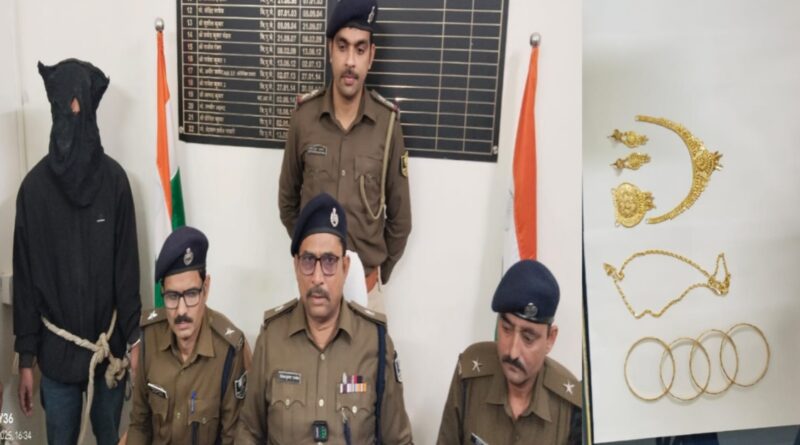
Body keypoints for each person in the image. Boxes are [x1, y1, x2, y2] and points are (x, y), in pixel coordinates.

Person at [13, 59, 141, 445]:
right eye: (64, 109)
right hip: (55, 358)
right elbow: (25, 281)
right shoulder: (33, 192)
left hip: (108, 352)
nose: (72, 118)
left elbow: (127, 272)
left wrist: (135, 340)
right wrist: (25, 357)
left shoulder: (115, 184)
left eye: (79, 108)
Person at [236, 193, 413, 444]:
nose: (318, 277)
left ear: (345, 267)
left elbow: (399, 440)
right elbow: (249, 432)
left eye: (329, 261)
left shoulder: (375, 341)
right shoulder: (272, 338)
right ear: (296, 266)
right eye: (309, 261)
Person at [278, 0, 412, 311]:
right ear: (330, 50)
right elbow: (287, 203)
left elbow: (401, 220)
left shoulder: (388, 126)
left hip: (366, 294)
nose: (350, 61)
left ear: (371, 56)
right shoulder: (304, 119)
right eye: (342, 47)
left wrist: (375, 275)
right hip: (314, 292)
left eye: (360, 49)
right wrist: (310, 256)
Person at [436, 260, 582, 445]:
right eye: (506, 329)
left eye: (528, 338)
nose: (513, 352)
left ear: (550, 339)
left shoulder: (571, 406)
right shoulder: (470, 375)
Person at [126, 226, 248, 444]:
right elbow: (139, 425)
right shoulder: (149, 337)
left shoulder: (229, 351)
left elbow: (234, 438)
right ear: (163, 293)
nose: (181, 311)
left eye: (191, 294)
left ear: (206, 288)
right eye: (172, 296)